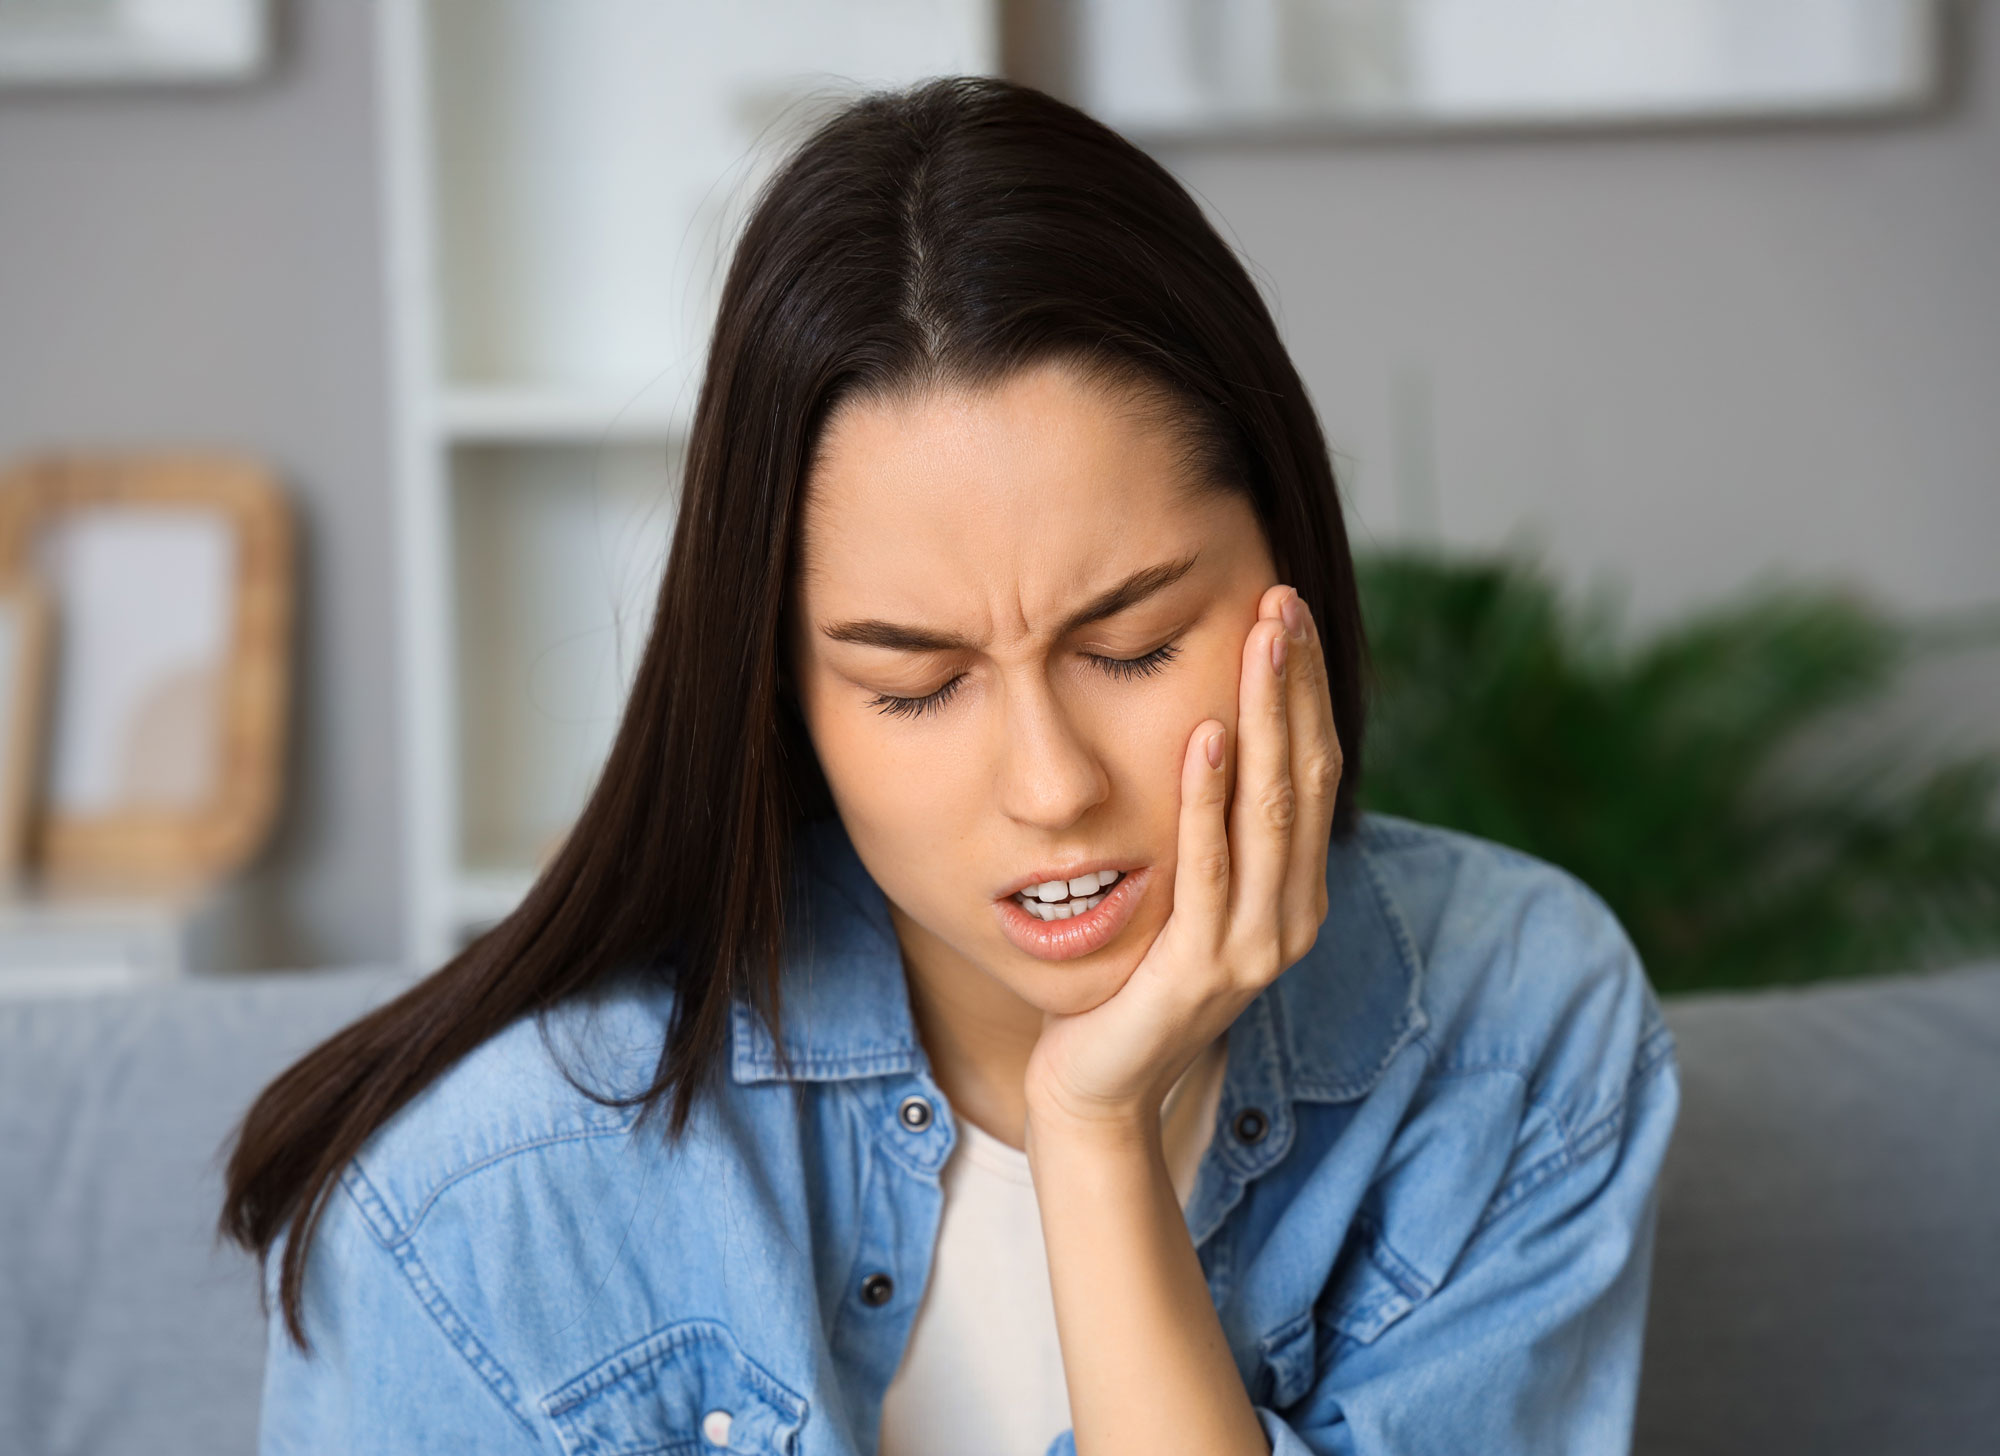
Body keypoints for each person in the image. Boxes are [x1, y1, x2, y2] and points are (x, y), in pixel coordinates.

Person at [221, 75, 1679, 1456]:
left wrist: (1095, 1137)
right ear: (783, 696)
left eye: (1132, 647)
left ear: (1285, 568)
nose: (1049, 788)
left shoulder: (1509, 1030)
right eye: (916, 687)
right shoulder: (487, 1208)